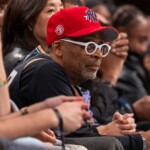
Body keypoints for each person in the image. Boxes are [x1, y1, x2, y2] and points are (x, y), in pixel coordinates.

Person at [8, 6, 150, 150]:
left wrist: (106, 128)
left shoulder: (68, 74)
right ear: (58, 48)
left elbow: (79, 131)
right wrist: (141, 140)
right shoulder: (46, 70)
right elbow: (73, 136)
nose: (98, 54)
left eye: (100, 46)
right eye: (89, 45)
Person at [2, 0, 63, 76]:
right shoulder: (26, 64)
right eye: (51, 10)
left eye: (61, 9)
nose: (61, 16)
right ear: (30, 22)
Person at [112, 5, 150, 104]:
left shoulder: (139, 63)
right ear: (122, 32)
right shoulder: (125, 74)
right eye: (141, 40)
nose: (144, 48)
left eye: (147, 41)